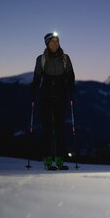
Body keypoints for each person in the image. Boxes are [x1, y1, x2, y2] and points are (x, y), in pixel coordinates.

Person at [30, 32, 75, 170]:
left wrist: (72, 88)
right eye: (52, 42)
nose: (55, 44)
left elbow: (70, 75)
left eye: (57, 41)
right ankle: (48, 161)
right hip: (45, 95)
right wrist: (33, 89)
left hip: (61, 95)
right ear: (47, 44)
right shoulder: (41, 59)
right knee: (47, 129)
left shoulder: (65, 58)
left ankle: (60, 161)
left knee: (60, 128)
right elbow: (37, 76)